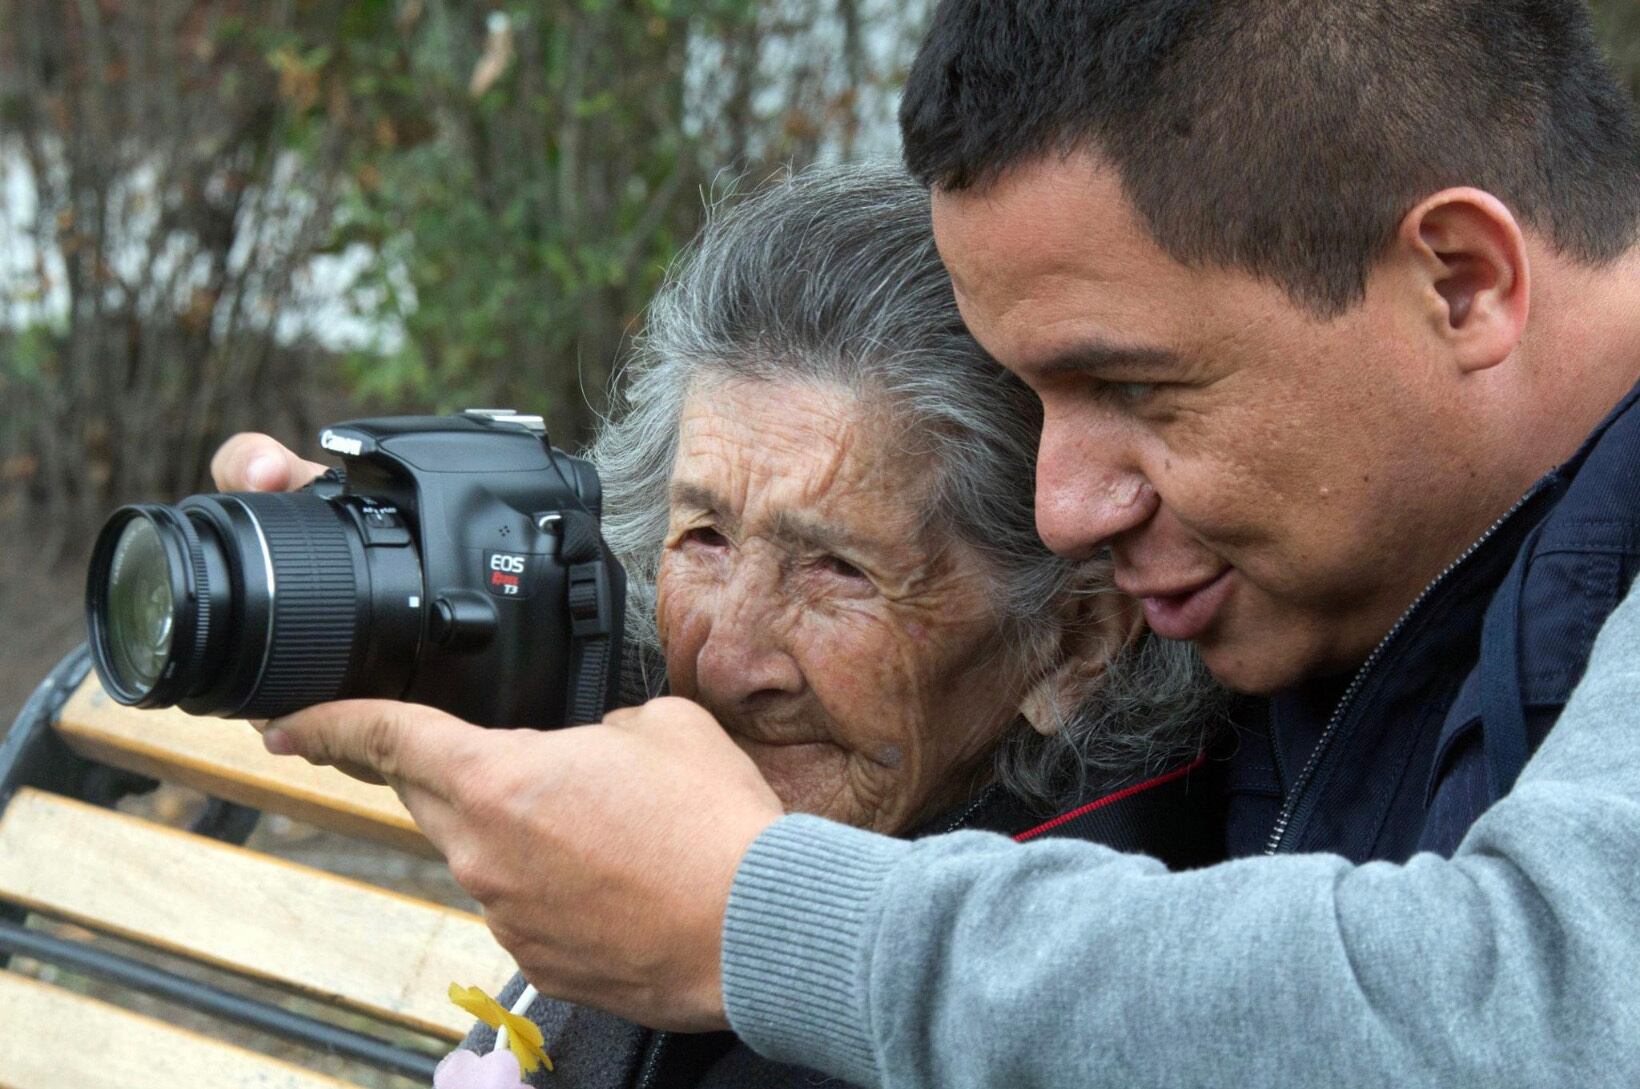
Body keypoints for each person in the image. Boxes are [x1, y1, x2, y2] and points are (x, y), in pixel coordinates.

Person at [244, 0, 1640, 1084]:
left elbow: (1540, 1011)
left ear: (1461, 281)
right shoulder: (1347, 568)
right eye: (1034, 399)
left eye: (1136, 388)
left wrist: (761, 914)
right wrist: (438, 604)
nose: (1066, 509)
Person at [213, 163, 1224, 1087]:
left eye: (835, 569)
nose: (722, 659)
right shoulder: (780, 792)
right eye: (702, 539)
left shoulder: (1036, 1008)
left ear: (1072, 643)